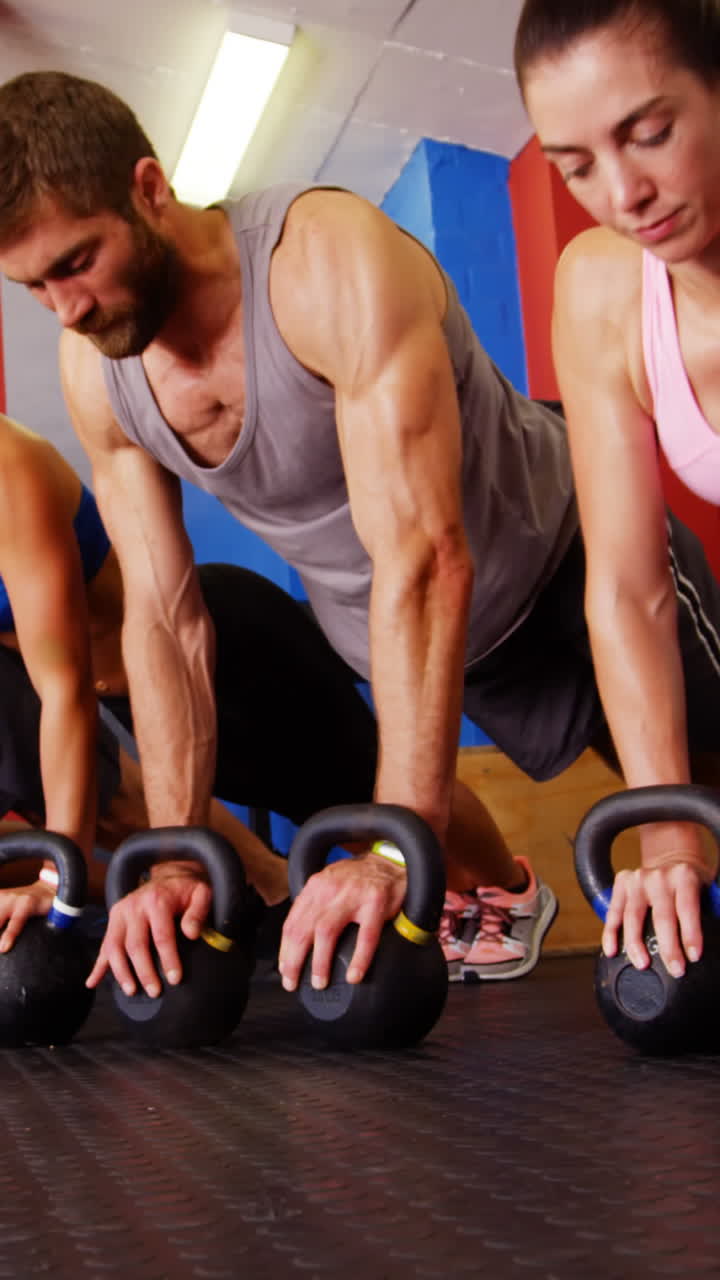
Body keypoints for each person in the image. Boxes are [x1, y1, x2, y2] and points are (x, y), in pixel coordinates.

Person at [3, 72, 719, 1004]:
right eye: (32, 287)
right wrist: (176, 858)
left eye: (76, 262)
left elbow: (425, 555)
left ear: (149, 189)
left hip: (567, 555)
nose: (66, 308)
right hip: (425, 637)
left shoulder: (321, 263)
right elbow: (164, 619)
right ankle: (505, 897)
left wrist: (394, 847)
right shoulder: (96, 370)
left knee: (701, 789)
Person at [0, 411, 378, 995]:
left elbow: (64, 687)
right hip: (119, 697)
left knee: (366, 812)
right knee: (121, 806)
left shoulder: (8, 464)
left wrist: (58, 879)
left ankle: (511, 889)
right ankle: (266, 896)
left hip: (214, 652)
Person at [513, 0, 720, 979]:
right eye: (578, 165)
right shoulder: (602, 288)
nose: (625, 193)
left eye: (650, 134)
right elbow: (630, 593)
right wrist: (670, 831)